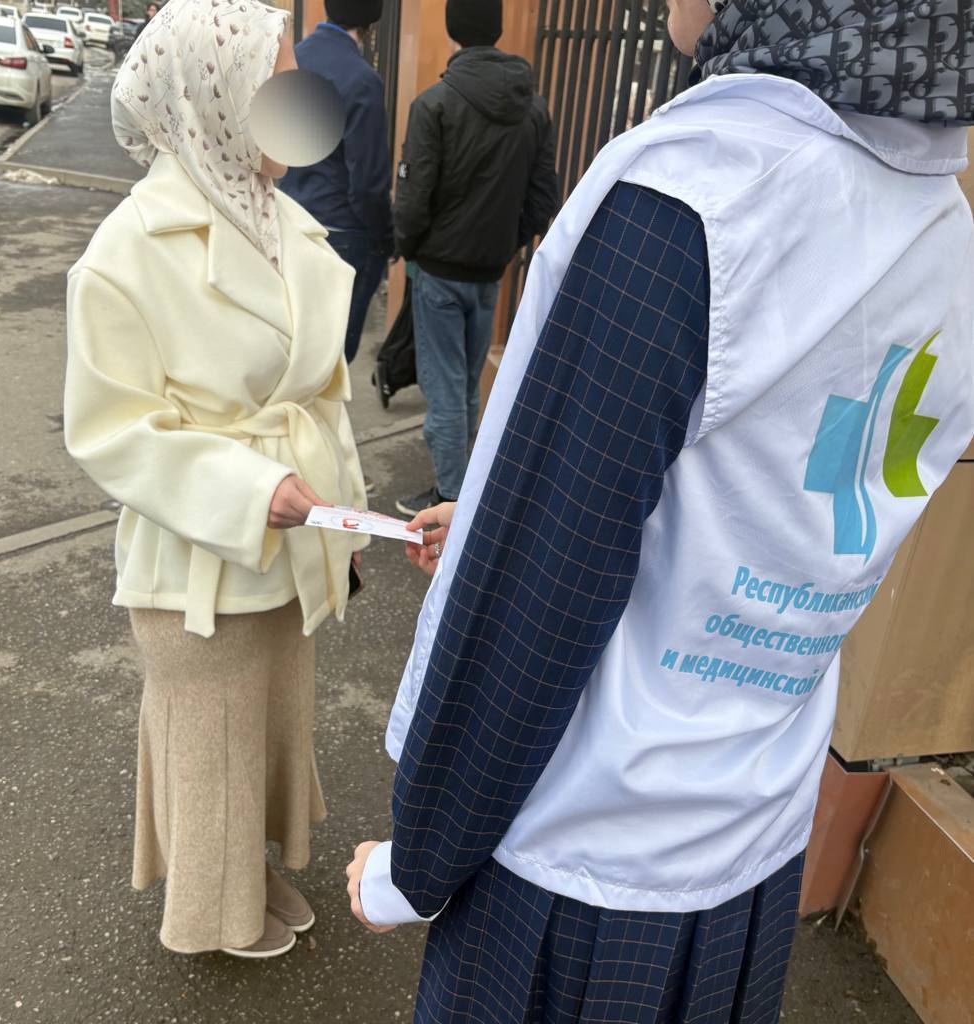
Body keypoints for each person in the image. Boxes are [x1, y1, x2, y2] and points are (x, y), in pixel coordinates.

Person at [345, 0, 974, 1018]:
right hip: (755, 842)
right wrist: (511, 517)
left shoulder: (693, 194)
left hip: (577, 861)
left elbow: (535, 609)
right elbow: (759, 506)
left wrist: (412, 867)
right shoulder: (945, 231)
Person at [65, 0, 368, 960]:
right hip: (196, 552)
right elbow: (111, 430)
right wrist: (245, 489)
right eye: (275, 84)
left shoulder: (285, 220)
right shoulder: (126, 250)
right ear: (210, 97)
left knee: (268, 724)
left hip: (292, 542)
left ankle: (251, 870)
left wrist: (347, 527)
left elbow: (322, 402)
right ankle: (213, 912)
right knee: (212, 739)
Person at [393, 0, 558, 517]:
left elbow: (413, 199)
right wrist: (506, 243)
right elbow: (544, 198)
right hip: (490, 270)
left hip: (439, 269)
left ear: (453, 30)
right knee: (465, 385)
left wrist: (410, 247)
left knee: (445, 389)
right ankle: (463, 487)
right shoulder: (532, 108)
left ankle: (452, 499)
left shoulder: (434, 104)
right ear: (498, 29)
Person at [280, 0, 393, 366]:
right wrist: (385, 238)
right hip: (341, 232)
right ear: (370, 26)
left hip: (288, 220)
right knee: (333, 361)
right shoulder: (362, 80)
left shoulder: (292, 59)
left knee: (294, 348)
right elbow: (368, 183)